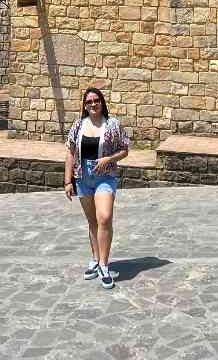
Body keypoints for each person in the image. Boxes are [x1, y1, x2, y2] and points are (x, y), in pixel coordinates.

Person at [64, 87, 129, 289]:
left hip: (105, 177)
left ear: (102, 102)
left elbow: (125, 149)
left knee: (105, 217)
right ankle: (95, 258)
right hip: (83, 177)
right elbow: (70, 153)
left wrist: (109, 158)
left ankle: (104, 264)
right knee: (93, 222)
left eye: (97, 100)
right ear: (84, 105)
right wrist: (67, 181)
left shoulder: (112, 124)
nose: (93, 104)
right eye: (89, 101)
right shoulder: (78, 126)